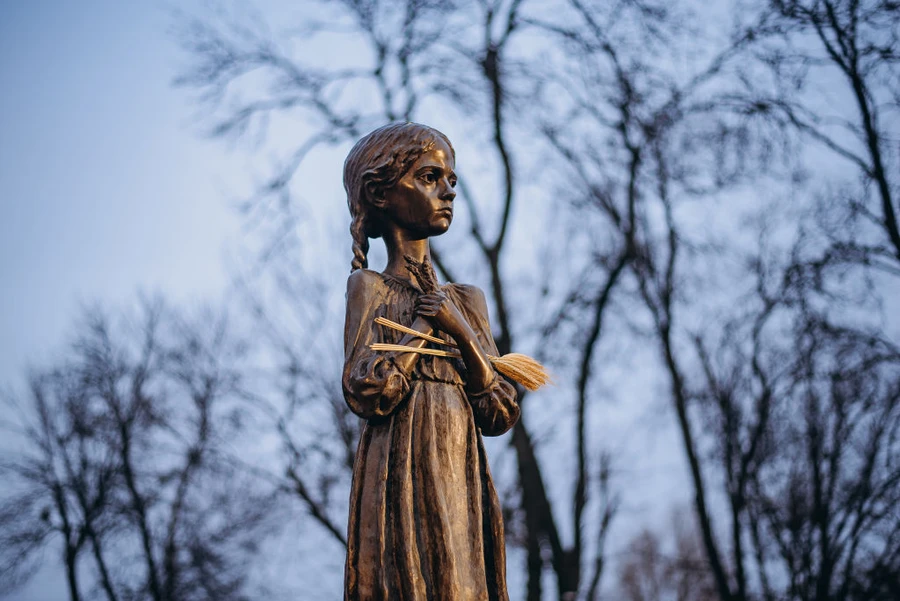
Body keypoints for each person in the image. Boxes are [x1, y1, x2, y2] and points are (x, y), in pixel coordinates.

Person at [342, 122, 520, 600]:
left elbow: (500, 411)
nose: (447, 191)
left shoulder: (467, 299)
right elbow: (368, 390)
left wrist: (458, 329)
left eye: (451, 180)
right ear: (380, 193)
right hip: (398, 462)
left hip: (459, 463)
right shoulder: (370, 288)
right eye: (428, 177)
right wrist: (424, 328)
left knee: (461, 578)